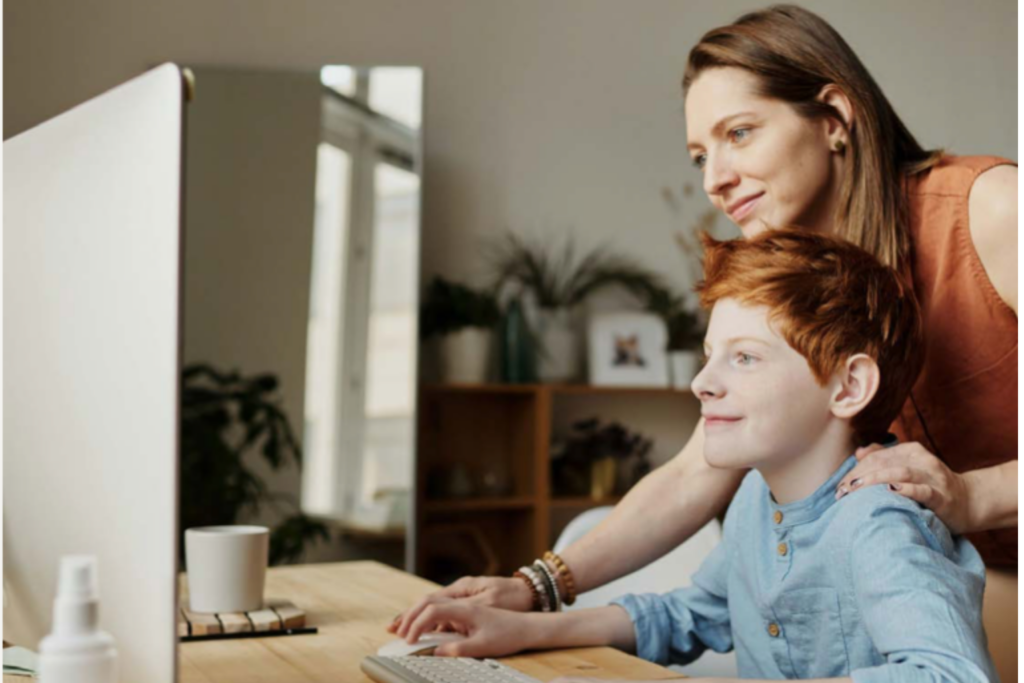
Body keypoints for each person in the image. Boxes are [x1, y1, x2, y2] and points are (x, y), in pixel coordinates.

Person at [392, 4, 1017, 678]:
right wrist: (534, 589)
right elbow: (697, 473)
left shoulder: (991, 210)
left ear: (833, 118)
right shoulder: (806, 283)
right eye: (699, 155)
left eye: (739, 133)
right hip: (955, 576)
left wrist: (974, 495)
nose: (712, 178)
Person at [398, 229, 998, 682]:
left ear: (847, 388)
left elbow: (951, 674)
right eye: (709, 355)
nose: (702, 383)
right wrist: (527, 630)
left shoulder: (878, 522)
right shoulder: (755, 502)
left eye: (744, 357)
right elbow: (692, 614)